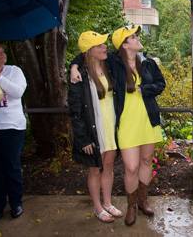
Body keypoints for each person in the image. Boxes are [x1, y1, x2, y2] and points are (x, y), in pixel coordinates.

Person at [71, 26, 165, 226]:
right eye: (133, 36)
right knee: (131, 167)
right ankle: (131, 207)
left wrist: (145, 88)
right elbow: (87, 55)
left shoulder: (147, 62)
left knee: (147, 160)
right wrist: (73, 66)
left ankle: (142, 201)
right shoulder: (114, 63)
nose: (138, 38)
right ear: (123, 44)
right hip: (126, 121)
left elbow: (160, 84)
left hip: (148, 119)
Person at [68, 31, 122, 223]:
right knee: (94, 169)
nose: (104, 47)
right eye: (99, 45)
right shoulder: (79, 75)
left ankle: (107, 203)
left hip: (110, 125)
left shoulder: (109, 65)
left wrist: (73, 62)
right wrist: (82, 138)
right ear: (89, 51)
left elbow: (121, 52)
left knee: (108, 165)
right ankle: (98, 207)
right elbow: (75, 110)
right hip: (93, 129)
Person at [0, 40, 27, 221]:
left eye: (3, 51)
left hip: (12, 126)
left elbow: (17, 92)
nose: (2, 54)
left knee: (11, 165)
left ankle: (16, 202)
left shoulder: (14, 71)